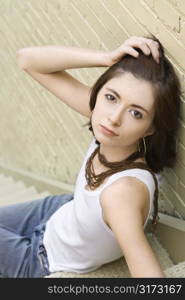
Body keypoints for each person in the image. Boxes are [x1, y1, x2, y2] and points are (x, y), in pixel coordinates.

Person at [0, 36, 181, 278]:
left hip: (41, 259)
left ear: (151, 127)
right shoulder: (111, 126)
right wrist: (106, 58)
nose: (114, 117)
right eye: (111, 97)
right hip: (59, 210)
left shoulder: (121, 195)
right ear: (100, 94)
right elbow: (27, 59)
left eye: (136, 113)